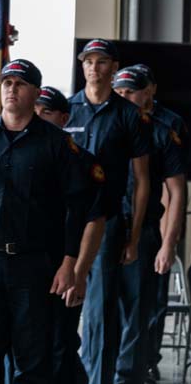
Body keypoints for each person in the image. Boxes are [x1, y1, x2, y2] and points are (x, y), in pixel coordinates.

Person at [0, 59, 102, 383]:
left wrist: (69, 263)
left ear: (35, 92)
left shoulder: (57, 143)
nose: (11, 89)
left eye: (19, 84)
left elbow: (78, 207)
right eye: (6, 83)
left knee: (32, 357)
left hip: (34, 264)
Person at [64, 39, 152, 384]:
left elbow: (142, 180)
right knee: (59, 307)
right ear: (82, 66)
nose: (94, 68)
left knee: (99, 313)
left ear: (114, 67)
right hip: (63, 224)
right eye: (88, 61)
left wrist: (133, 236)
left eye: (102, 62)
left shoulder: (129, 115)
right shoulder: (67, 109)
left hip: (106, 223)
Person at [113, 66, 187, 383]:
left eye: (131, 91)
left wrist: (168, 243)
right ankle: (118, 367)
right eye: (119, 92)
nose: (124, 98)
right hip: (108, 225)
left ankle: (136, 367)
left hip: (148, 229)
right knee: (111, 306)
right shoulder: (109, 119)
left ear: (150, 91)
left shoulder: (167, 126)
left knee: (147, 307)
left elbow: (175, 191)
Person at [34, 86, 107, 384]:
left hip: (64, 268)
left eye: (46, 112)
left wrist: (78, 272)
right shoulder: (21, 156)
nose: (38, 117)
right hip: (26, 267)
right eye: (35, 110)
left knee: (61, 344)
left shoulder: (83, 162)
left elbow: (94, 220)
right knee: (25, 346)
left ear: (64, 118)